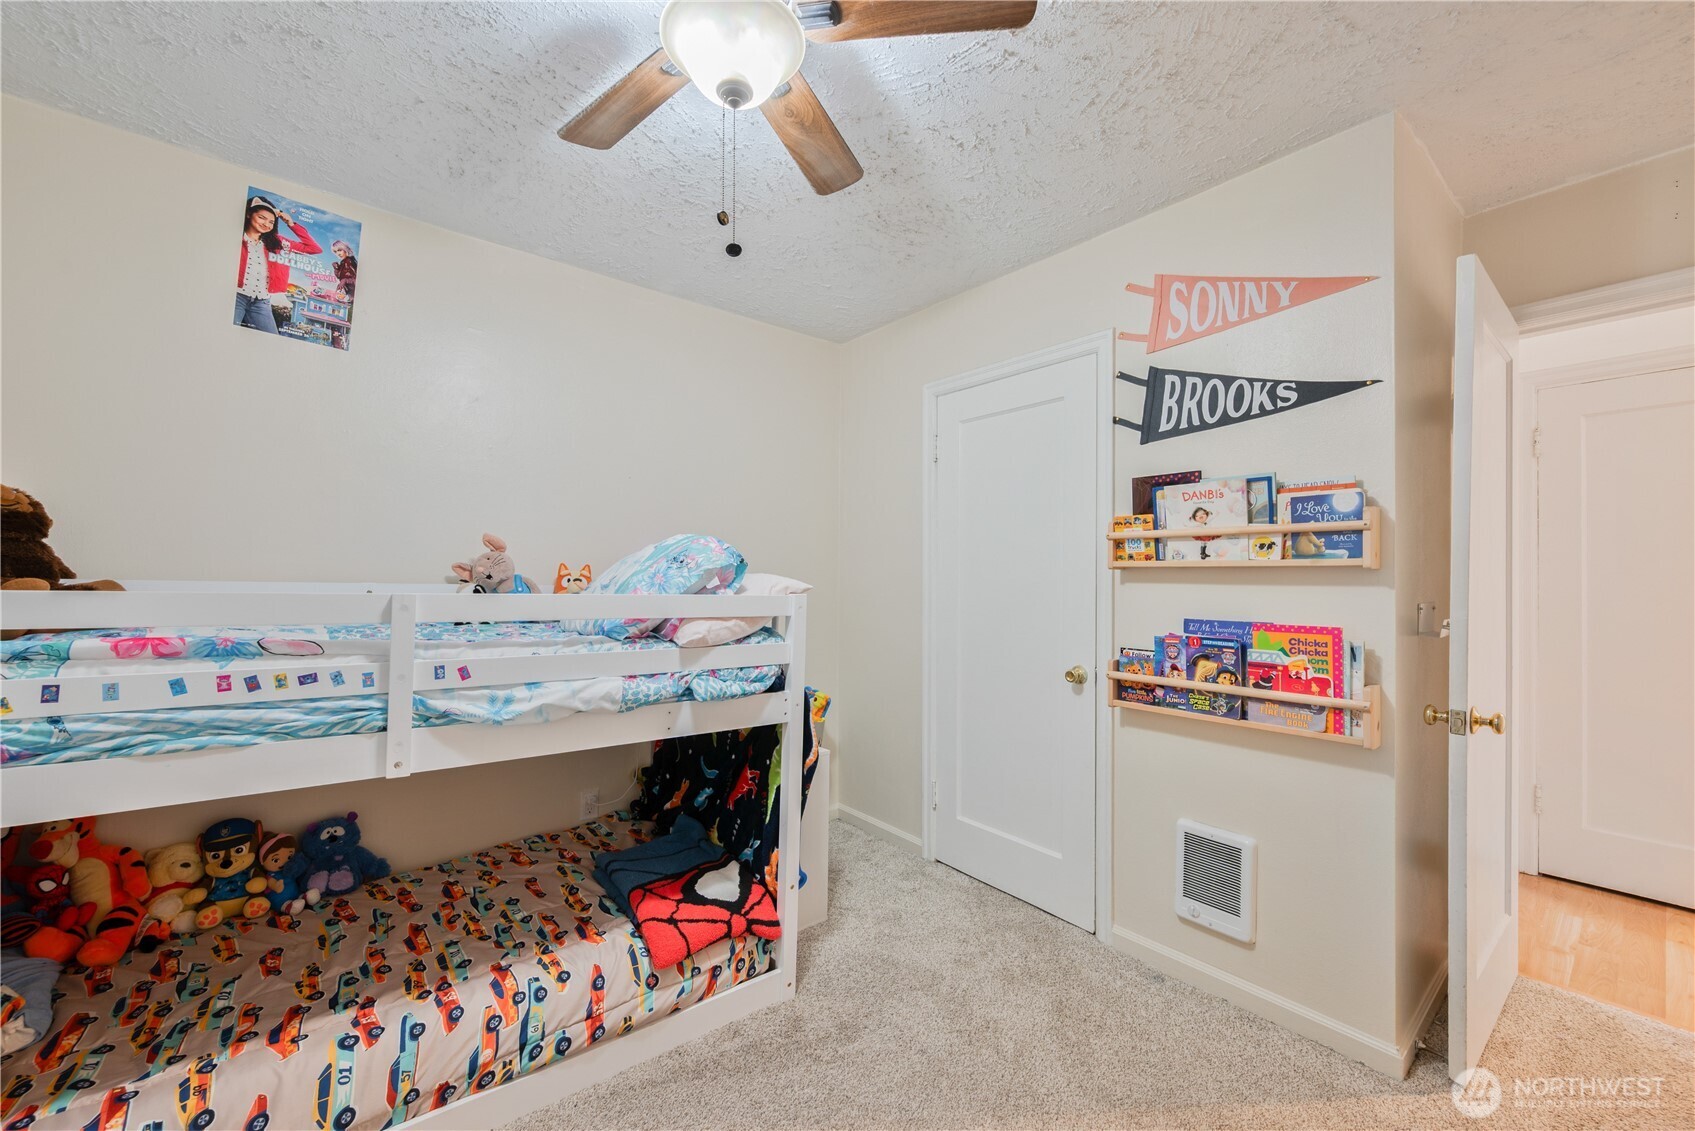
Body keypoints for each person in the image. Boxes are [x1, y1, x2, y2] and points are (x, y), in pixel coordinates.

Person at [235, 195, 320, 333]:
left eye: (271, 222)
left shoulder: (278, 242)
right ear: (249, 214)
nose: (266, 224)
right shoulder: (235, 234)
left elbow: (314, 248)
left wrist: (290, 224)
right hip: (236, 295)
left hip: (261, 302)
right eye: (262, 218)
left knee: (270, 340)